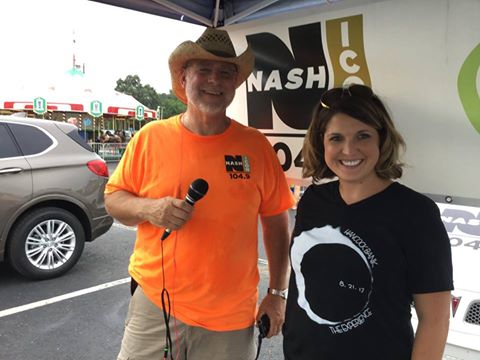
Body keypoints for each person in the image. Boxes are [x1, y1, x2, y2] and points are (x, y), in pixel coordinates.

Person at [104, 27, 295, 360]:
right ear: (183, 77)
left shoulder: (256, 147)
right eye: (203, 70)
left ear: (235, 83)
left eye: (225, 73)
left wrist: (277, 293)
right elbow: (114, 200)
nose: (214, 81)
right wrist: (150, 209)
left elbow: (277, 222)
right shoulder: (150, 137)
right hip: (155, 303)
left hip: (230, 316)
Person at [283, 84, 453, 360]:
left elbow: (435, 321)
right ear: (321, 143)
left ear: (381, 140)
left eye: (363, 136)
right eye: (336, 138)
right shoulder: (313, 200)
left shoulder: (416, 213)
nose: (349, 149)